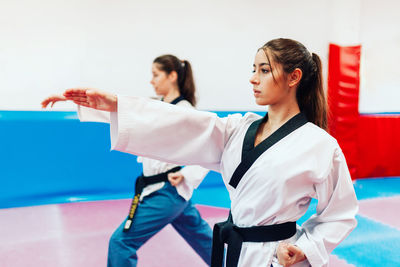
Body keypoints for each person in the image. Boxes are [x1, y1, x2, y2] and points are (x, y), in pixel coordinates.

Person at [49, 38, 358, 267]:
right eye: (254, 69)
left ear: (294, 77)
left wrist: (306, 248)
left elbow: (340, 213)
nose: (253, 78)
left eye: (264, 70)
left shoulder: (320, 145)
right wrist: (114, 105)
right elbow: (183, 124)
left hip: (280, 257)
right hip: (236, 252)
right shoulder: (239, 129)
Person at [42, 55, 213, 267]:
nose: (151, 81)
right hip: (166, 191)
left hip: (167, 191)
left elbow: (209, 146)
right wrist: (74, 100)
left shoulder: (185, 110)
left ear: (172, 76)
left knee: (120, 243)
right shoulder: (156, 106)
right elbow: (121, 111)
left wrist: (188, 174)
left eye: (155, 75)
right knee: (207, 243)